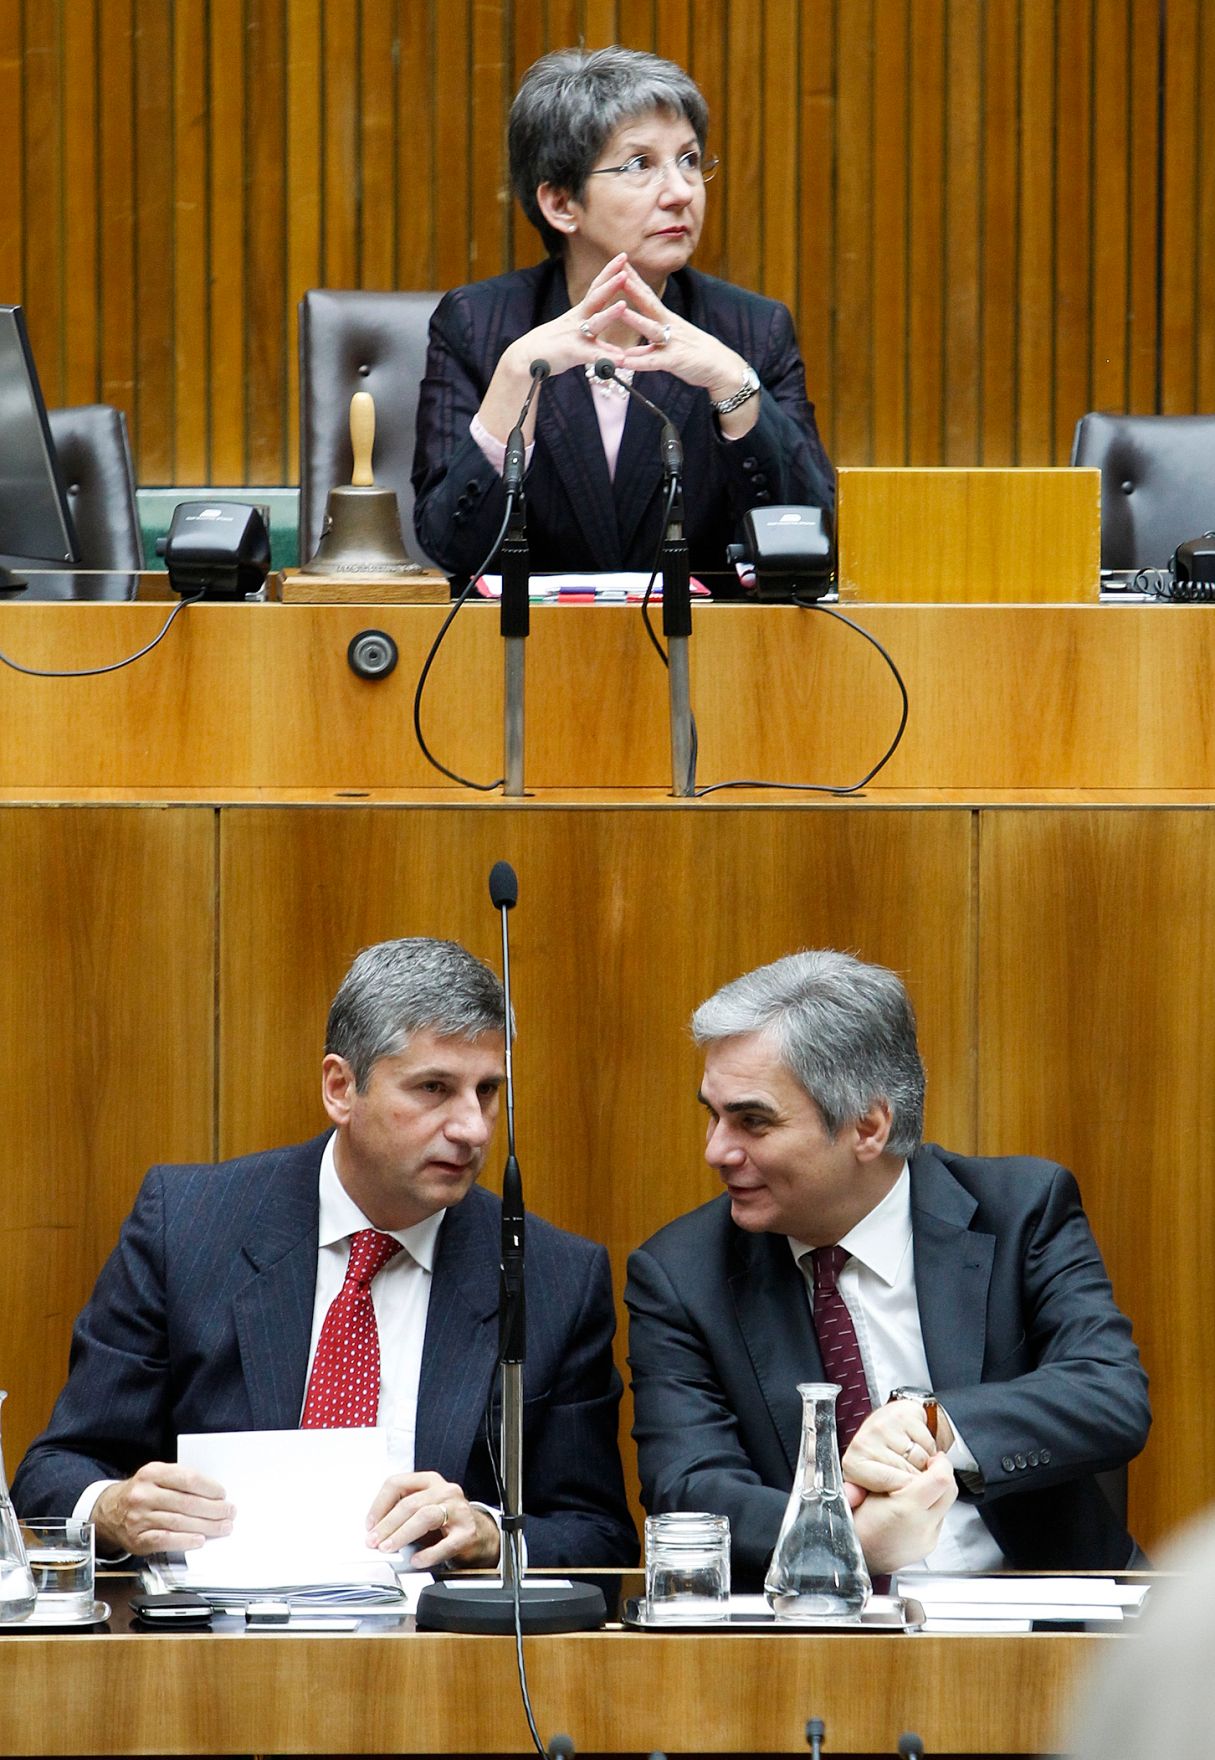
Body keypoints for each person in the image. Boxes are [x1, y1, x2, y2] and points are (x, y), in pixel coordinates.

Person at [14, 938, 636, 1570]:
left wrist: (491, 1535)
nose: (472, 1128)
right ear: (341, 1088)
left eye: (486, 1092)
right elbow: (56, 1471)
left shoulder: (553, 1276)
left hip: (442, 1654)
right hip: (214, 1646)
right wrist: (114, 1508)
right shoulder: (188, 1227)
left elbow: (600, 1537)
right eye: (434, 1088)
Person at [626, 949, 1150, 1587]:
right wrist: (837, 1539)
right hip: (815, 1641)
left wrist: (934, 1425)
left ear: (868, 1126)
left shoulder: (1019, 1212)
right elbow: (688, 1487)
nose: (716, 1150)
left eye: (752, 1121)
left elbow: (1109, 1395)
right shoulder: (681, 1275)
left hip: (1042, 1623)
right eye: (713, 1114)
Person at [412, 45, 833, 580]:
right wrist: (517, 379)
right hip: (526, 650)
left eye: (689, 159)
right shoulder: (479, 324)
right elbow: (450, 545)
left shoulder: (750, 330)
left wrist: (733, 386)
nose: (682, 192)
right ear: (562, 204)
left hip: (703, 651)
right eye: (641, 165)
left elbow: (813, 536)